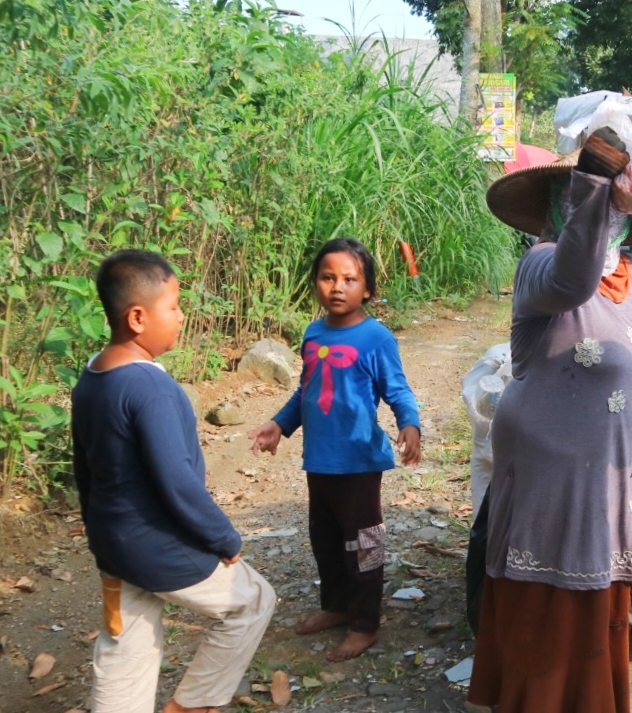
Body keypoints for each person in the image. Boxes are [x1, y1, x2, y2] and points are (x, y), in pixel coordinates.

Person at [467, 129, 632, 713]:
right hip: (551, 474)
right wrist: (594, 178)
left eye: (594, 197)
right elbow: (574, 276)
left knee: (595, 623)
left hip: (608, 478)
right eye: (572, 196)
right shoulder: (541, 265)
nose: (585, 209)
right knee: (550, 620)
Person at [72, 250, 276, 713]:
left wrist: (97, 533)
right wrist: (223, 536)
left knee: (127, 645)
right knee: (252, 600)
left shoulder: (92, 376)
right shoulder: (151, 389)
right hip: (157, 541)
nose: (182, 316)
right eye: (175, 306)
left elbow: (83, 467)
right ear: (138, 317)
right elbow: (177, 481)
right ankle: (192, 705)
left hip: (114, 543)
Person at [249, 238, 422, 662]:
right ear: (315, 284)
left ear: (367, 289)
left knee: (365, 543)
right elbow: (306, 391)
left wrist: (410, 424)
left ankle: (366, 623)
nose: (337, 287)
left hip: (360, 462)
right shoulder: (313, 333)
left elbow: (396, 389)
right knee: (325, 539)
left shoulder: (376, 337)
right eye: (328, 277)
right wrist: (279, 424)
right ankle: (337, 606)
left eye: (350, 279)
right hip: (320, 461)